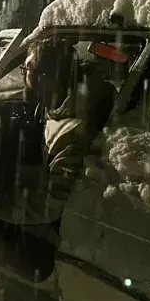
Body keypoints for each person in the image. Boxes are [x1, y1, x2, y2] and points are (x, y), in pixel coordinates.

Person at [18, 38, 118, 241]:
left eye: (26, 69)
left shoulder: (74, 130)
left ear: (45, 79)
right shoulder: (64, 100)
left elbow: (56, 209)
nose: (24, 74)